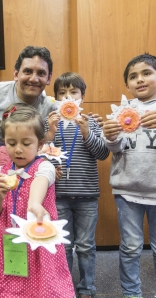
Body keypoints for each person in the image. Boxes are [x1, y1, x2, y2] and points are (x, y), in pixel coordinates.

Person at [101, 53, 156, 298]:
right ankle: (131, 294)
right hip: (127, 191)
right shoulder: (122, 109)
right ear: (127, 85)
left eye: (146, 73)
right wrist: (109, 136)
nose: (139, 80)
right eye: (133, 77)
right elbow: (115, 147)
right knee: (130, 248)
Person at [0, 46, 57, 288]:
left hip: (29, 178)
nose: (34, 78)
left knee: (24, 226)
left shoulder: (49, 108)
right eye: (27, 71)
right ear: (15, 73)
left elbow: (50, 145)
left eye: (41, 73)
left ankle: (29, 278)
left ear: (49, 78)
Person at [0, 103, 75, 298]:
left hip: (40, 240)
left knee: (45, 284)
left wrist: (34, 203)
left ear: (40, 144)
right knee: (13, 284)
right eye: (11, 143)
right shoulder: (1, 172)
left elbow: (39, 182)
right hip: (12, 241)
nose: (18, 149)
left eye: (26, 144)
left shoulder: (45, 167)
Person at [44, 72, 110, 298]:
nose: (68, 96)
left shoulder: (91, 121)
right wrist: (50, 133)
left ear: (82, 96)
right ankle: (65, 287)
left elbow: (102, 153)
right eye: (62, 93)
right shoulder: (50, 121)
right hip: (59, 195)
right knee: (62, 245)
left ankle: (87, 287)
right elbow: (41, 156)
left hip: (87, 195)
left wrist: (86, 132)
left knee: (86, 245)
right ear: (56, 98)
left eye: (73, 92)